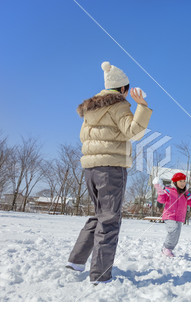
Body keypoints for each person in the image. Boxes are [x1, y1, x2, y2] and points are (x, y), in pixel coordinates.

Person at [66, 61, 153, 285]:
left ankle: (76, 261)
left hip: (90, 169)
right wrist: (141, 106)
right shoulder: (119, 105)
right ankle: (100, 275)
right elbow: (133, 132)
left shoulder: (91, 108)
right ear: (123, 89)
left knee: (99, 214)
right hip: (111, 169)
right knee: (110, 219)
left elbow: (84, 138)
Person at [153, 173, 191, 257]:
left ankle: (168, 249)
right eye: (180, 181)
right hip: (169, 215)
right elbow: (162, 200)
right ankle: (166, 248)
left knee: (176, 234)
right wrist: (160, 190)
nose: (183, 183)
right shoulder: (168, 190)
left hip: (180, 217)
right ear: (174, 182)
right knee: (173, 230)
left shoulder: (186, 193)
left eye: (184, 181)